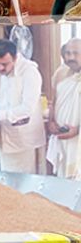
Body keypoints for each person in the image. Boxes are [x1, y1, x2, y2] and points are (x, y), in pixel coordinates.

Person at [0, 39, 45, 174]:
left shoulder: (29, 72)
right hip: (2, 136)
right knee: (6, 176)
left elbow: (27, 108)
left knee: (24, 180)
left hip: (23, 138)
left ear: (15, 58)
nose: (0, 68)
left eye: (4, 64)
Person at [47, 39, 81, 178]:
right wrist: (51, 122)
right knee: (62, 179)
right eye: (67, 53)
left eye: (76, 53)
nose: (71, 57)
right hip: (61, 137)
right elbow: (53, 102)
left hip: (78, 139)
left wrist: (77, 130)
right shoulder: (60, 73)